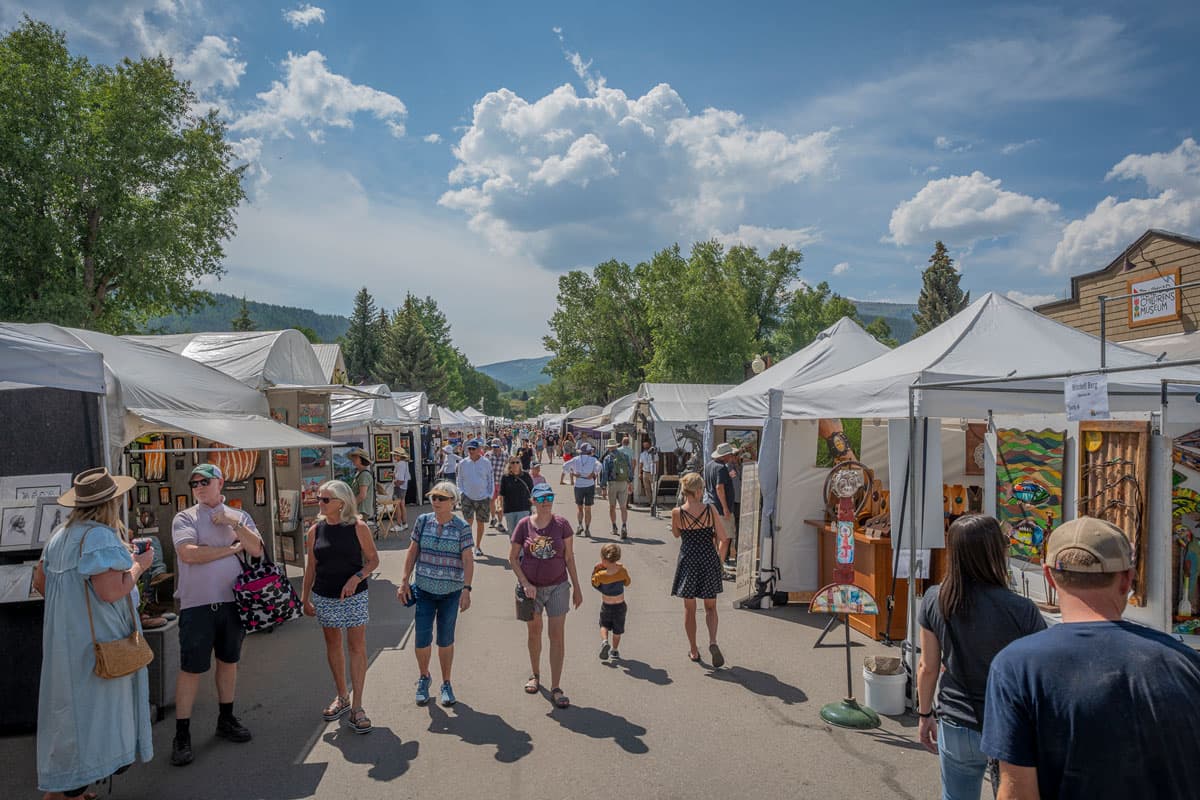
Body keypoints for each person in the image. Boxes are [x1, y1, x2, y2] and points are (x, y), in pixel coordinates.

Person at [981, 517, 1200, 799]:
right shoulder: (1186, 663)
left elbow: (1017, 793)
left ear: (1049, 576)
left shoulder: (1016, 668)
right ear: (1127, 580)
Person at [34, 468, 154, 800]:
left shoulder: (60, 535)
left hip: (65, 644)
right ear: (111, 503)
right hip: (98, 645)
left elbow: (41, 583)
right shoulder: (98, 536)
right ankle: (71, 790)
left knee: (70, 721)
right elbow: (110, 590)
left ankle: (71, 788)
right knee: (95, 720)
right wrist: (138, 566)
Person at [916, 515, 1045, 800]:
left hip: (955, 720)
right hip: (1008, 726)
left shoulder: (936, 599)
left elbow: (928, 667)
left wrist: (924, 714)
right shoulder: (1022, 609)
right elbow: (1039, 675)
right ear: (996, 551)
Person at [170, 463, 264, 767]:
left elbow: (257, 549)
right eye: (194, 482)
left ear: (220, 483)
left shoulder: (239, 516)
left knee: (228, 663)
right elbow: (189, 554)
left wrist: (232, 525)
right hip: (196, 605)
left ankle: (226, 719)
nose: (198, 486)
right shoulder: (184, 517)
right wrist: (228, 550)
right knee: (191, 669)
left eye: (204, 481)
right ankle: (181, 734)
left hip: (232, 602)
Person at [300, 480, 380, 733]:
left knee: (356, 647)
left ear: (341, 503)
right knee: (333, 645)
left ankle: (357, 707)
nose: (319, 503)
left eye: (325, 500)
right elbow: (311, 566)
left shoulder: (359, 527)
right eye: (319, 498)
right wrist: (304, 598)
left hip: (354, 595)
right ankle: (342, 696)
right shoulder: (316, 530)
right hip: (325, 594)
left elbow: (373, 560)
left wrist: (356, 578)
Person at [397, 481, 475, 707]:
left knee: (445, 640)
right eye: (434, 497)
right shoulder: (422, 522)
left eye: (442, 498)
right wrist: (404, 581)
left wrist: (467, 589)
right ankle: (424, 677)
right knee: (422, 639)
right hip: (424, 590)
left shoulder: (461, 527)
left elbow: (468, 560)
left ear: (453, 502)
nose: (436, 502)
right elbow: (412, 553)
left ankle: (446, 683)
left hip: (451, 592)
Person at [510, 484, 583, 709]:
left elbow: (569, 558)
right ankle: (535, 674)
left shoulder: (562, 525)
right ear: (532, 500)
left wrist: (577, 588)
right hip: (531, 589)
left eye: (549, 497)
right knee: (534, 633)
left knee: (556, 635)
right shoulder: (524, 525)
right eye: (541, 498)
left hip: (558, 586)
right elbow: (513, 558)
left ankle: (556, 687)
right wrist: (524, 583)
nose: (545, 501)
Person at [671, 471, 728, 667]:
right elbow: (723, 537)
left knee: (689, 608)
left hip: (688, 559)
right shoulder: (710, 510)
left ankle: (694, 650)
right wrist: (718, 561)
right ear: (698, 490)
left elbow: (676, 534)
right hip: (708, 559)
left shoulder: (677, 512)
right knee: (711, 607)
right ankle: (712, 641)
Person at [591, 542, 632, 661]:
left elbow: (594, 583)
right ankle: (614, 650)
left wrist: (595, 570)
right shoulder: (622, 571)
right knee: (617, 630)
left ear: (603, 559)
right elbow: (627, 582)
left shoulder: (601, 575)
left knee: (603, 625)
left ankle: (604, 642)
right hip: (620, 606)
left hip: (606, 605)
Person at [456, 439, 494, 557]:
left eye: (473, 449)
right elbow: (459, 479)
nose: (471, 451)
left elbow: (490, 479)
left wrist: (490, 494)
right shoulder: (463, 463)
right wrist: (461, 492)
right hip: (467, 496)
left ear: (479, 450)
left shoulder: (486, 462)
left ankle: (477, 546)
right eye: (469, 449)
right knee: (467, 523)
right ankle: (468, 546)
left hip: (483, 497)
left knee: (480, 523)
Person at [702, 443, 738, 562]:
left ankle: (710, 563)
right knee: (725, 538)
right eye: (730, 454)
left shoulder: (708, 465)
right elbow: (719, 487)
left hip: (710, 505)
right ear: (725, 455)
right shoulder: (721, 468)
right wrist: (726, 508)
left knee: (715, 536)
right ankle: (719, 566)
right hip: (720, 507)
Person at [598, 438, 633, 539]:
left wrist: (603, 487)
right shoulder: (625, 456)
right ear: (616, 446)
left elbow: (604, 473)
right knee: (623, 507)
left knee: (612, 506)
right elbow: (629, 470)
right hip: (623, 483)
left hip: (612, 484)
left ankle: (614, 527)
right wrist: (629, 482)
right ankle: (624, 526)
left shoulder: (608, 458)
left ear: (609, 448)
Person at [564, 442, 600, 537]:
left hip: (579, 485)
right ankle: (587, 528)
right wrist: (594, 474)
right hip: (589, 485)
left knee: (579, 507)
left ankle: (580, 525)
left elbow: (565, 466)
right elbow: (600, 466)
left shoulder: (576, 459)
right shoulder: (593, 459)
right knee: (588, 508)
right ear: (589, 451)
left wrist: (572, 473)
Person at [499, 457, 535, 534]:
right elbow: (501, 494)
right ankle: (514, 546)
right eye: (513, 462)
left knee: (522, 533)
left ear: (520, 464)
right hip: (509, 510)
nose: (515, 464)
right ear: (509, 465)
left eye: (517, 462)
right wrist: (500, 507)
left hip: (524, 509)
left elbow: (533, 491)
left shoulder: (526, 475)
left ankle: (522, 546)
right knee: (512, 534)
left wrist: (535, 505)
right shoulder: (505, 477)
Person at [345, 447, 375, 530]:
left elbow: (362, 495)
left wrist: (350, 505)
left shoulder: (364, 475)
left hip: (361, 510)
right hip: (359, 509)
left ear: (362, 459)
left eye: (355, 458)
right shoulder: (359, 473)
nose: (353, 460)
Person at [487, 439, 509, 532]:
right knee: (491, 502)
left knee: (500, 504)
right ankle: (493, 518)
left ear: (500, 446)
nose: (494, 449)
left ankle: (500, 522)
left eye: (496, 447)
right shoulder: (488, 455)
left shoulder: (505, 455)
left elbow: (509, 467)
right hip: (490, 483)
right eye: (493, 447)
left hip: (501, 483)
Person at [390, 447, 411, 531]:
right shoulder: (404, 463)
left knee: (397, 505)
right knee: (402, 504)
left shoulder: (400, 464)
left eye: (395, 455)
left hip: (399, 487)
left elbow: (400, 479)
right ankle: (404, 523)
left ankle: (399, 524)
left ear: (399, 456)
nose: (394, 456)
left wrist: (396, 482)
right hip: (403, 487)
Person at [637, 439, 656, 508]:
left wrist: (656, 472)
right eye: (644, 445)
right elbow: (641, 464)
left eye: (646, 445)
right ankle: (649, 502)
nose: (645, 446)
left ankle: (654, 502)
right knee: (647, 488)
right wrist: (640, 473)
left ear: (649, 445)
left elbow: (657, 462)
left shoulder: (654, 454)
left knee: (653, 488)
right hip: (645, 472)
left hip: (652, 472)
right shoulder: (642, 454)